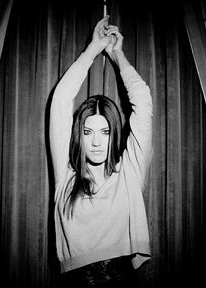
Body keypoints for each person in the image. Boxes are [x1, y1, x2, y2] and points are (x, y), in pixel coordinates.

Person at [49, 15, 153, 288]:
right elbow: (61, 100)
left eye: (105, 132)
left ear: (114, 135)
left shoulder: (128, 173)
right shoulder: (65, 177)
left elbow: (142, 100)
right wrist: (92, 49)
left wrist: (117, 55)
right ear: (78, 136)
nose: (96, 141)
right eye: (87, 131)